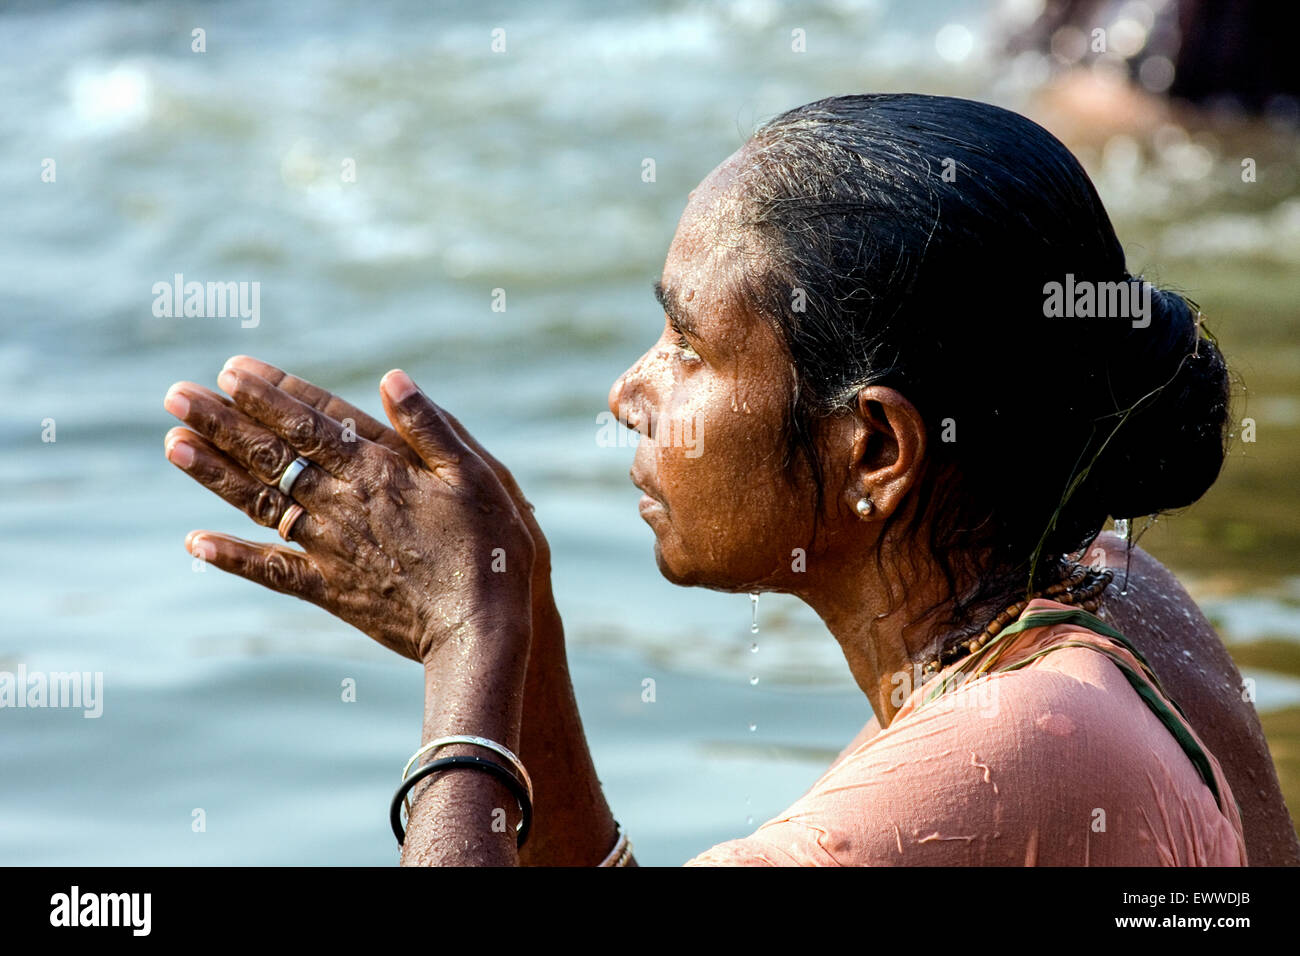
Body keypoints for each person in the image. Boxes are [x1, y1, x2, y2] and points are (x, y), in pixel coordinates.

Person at [162, 93, 1298, 866]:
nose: (628, 390)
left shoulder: (1012, 745)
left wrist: (472, 646)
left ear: (877, 451)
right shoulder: (1109, 605)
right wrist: (529, 634)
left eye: (688, 346)